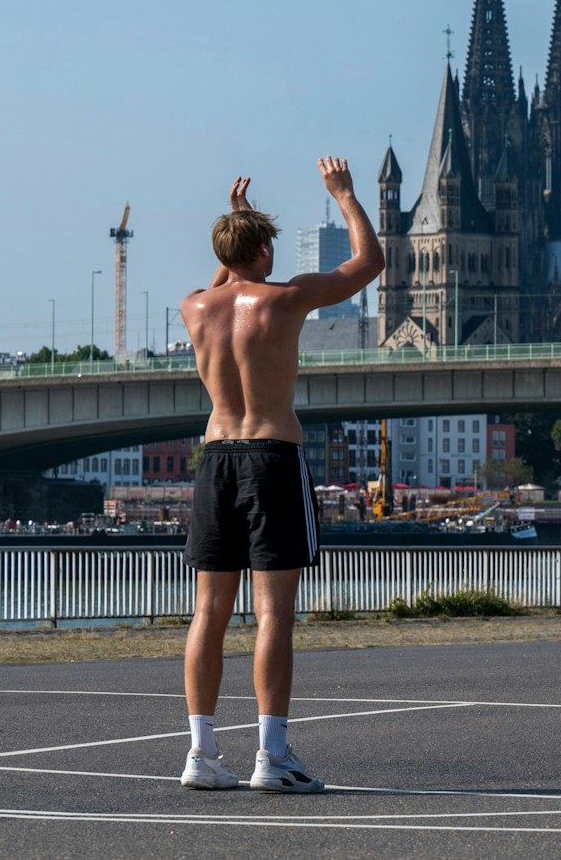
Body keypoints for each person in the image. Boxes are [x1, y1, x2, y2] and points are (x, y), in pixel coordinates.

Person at [176, 158, 384, 793]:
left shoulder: (194, 308)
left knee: (209, 612)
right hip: (271, 457)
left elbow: (222, 285)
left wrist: (235, 224)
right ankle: (272, 755)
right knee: (273, 615)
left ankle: (201, 754)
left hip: (216, 460)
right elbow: (368, 263)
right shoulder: (288, 298)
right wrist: (344, 196)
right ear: (266, 249)